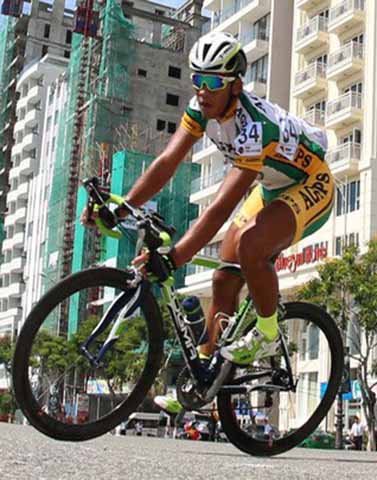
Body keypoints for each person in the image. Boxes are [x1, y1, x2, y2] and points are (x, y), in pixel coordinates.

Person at [81, 31, 334, 369]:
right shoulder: (201, 108)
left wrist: (175, 258)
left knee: (250, 246)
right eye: (197, 80)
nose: (202, 91)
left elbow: (220, 209)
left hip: (311, 183)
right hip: (272, 188)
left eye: (213, 82)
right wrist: (120, 209)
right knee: (223, 276)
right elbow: (166, 163)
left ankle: (268, 334)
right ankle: (208, 368)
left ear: (236, 86)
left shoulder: (254, 128)